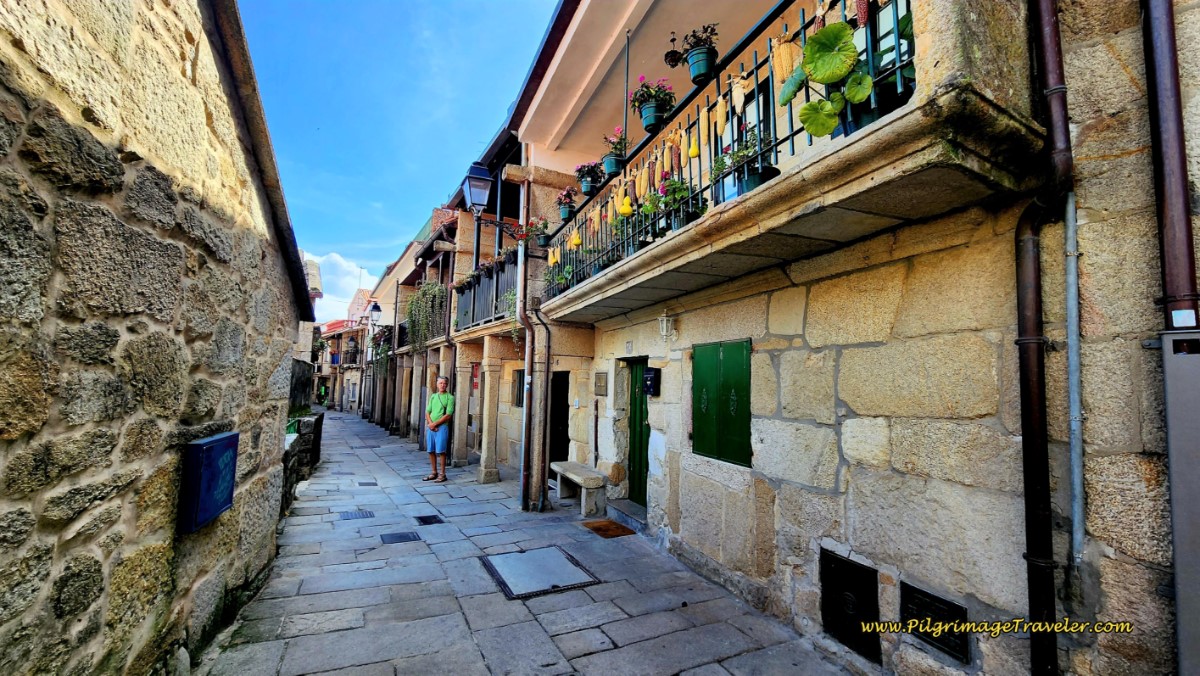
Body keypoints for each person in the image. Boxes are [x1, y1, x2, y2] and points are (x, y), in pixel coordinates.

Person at [424, 375, 454, 483]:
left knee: (441, 451)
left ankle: (442, 474)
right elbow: (427, 411)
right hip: (431, 427)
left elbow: (448, 415)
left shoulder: (450, 398)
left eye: (444, 383)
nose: (442, 385)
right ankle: (434, 472)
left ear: (447, 385)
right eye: (440, 383)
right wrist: (431, 424)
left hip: (442, 427)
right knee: (431, 450)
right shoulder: (433, 396)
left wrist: (435, 424)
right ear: (437, 384)